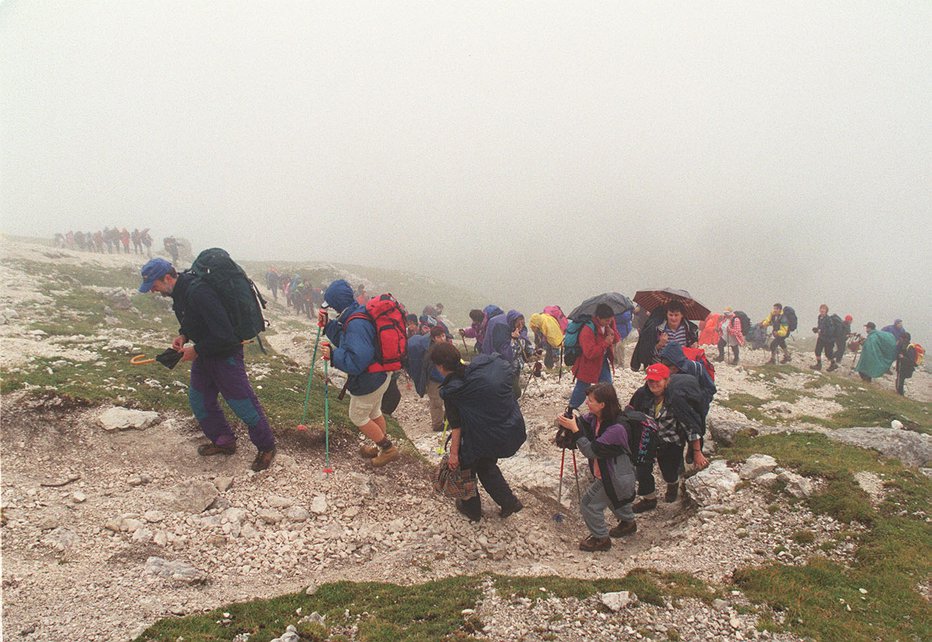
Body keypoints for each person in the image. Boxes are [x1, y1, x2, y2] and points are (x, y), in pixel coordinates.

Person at [138, 258, 276, 471]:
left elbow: (225, 335)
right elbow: (193, 320)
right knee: (199, 400)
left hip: (226, 355)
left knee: (242, 403)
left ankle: (266, 447)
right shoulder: (181, 292)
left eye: (154, 286)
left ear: (167, 278)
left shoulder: (199, 292)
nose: (153, 291)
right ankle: (224, 441)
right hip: (206, 353)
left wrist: (196, 350)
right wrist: (183, 336)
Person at [431, 342, 525, 522]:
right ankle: (509, 502)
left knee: (466, 468)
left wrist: (453, 453)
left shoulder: (453, 390)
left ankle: (472, 510)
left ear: (440, 366)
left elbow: (456, 425)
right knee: (486, 465)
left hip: (475, 437)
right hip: (495, 432)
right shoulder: (476, 373)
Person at [318, 279, 399, 467]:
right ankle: (379, 446)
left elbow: (357, 361)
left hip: (371, 378)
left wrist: (333, 355)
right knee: (373, 411)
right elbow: (349, 342)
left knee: (358, 416)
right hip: (381, 373)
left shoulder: (355, 323)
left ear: (336, 304)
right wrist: (329, 325)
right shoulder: (357, 314)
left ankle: (387, 449)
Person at [556, 383, 637, 552]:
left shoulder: (616, 429)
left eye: (591, 400)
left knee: (589, 504)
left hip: (613, 476)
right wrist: (570, 421)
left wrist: (575, 431)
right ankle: (628, 523)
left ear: (602, 404)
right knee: (615, 499)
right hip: (617, 473)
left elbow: (591, 451)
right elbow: (582, 423)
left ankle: (601, 539)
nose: (587, 403)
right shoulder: (598, 418)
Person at [628, 363, 709, 513]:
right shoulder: (641, 395)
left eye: (657, 381)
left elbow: (690, 426)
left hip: (671, 442)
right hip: (647, 439)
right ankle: (649, 499)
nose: (653, 384)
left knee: (669, 472)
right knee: (642, 469)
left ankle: (673, 484)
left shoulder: (678, 399)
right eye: (650, 381)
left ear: (667, 380)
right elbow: (630, 413)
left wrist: (697, 451)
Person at [568, 304, 619, 410]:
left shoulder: (608, 324)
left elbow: (616, 339)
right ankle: (571, 409)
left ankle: (609, 409)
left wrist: (612, 334)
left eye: (610, 320)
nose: (608, 322)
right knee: (582, 388)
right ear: (598, 318)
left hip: (602, 361)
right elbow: (589, 353)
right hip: (587, 364)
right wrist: (605, 343)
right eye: (606, 320)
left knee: (606, 387)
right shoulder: (588, 330)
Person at [630, 301, 698, 371]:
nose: (673, 318)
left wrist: (693, 348)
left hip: (682, 365)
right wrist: (660, 344)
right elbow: (647, 353)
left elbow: (693, 351)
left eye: (676, 315)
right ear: (666, 314)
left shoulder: (689, 330)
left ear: (682, 315)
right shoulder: (657, 329)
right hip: (661, 366)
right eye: (671, 315)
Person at [405, 327, 448, 432]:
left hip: (443, 377)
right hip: (434, 380)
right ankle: (437, 425)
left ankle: (446, 420)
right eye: (439, 337)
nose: (442, 338)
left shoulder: (443, 347)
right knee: (436, 402)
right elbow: (430, 370)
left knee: (445, 399)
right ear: (433, 338)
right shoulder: (429, 351)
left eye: (443, 336)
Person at [810, 304, 837, 371]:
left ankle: (833, 364)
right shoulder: (820, 317)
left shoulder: (828, 319)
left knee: (828, 353)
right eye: (821, 308)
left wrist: (820, 331)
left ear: (826, 311)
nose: (822, 310)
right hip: (821, 338)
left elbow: (830, 330)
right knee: (817, 351)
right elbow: (820, 327)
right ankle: (819, 365)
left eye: (824, 309)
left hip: (829, 340)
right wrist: (816, 329)